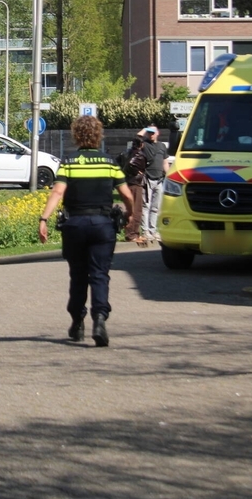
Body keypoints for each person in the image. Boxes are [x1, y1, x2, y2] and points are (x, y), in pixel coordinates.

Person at [38, 115, 134, 347]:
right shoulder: (110, 163)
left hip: (75, 225)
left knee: (78, 275)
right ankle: (99, 318)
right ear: (98, 135)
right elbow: (126, 194)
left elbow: (58, 192)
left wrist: (44, 218)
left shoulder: (69, 163)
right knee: (100, 274)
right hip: (103, 225)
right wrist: (131, 215)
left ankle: (77, 321)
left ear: (76, 135)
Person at [141, 124, 171, 244]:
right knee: (146, 206)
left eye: (153, 132)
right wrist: (145, 129)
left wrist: (169, 176)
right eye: (149, 132)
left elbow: (165, 163)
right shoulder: (144, 144)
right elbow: (137, 137)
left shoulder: (162, 146)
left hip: (159, 180)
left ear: (158, 133)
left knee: (155, 207)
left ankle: (153, 231)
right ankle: (145, 231)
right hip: (147, 179)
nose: (151, 135)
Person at [122, 131, 148, 245]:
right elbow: (133, 164)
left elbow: (119, 161)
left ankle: (132, 232)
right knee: (137, 209)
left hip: (127, 182)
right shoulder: (139, 155)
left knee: (131, 208)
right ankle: (132, 234)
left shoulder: (126, 153)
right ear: (141, 144)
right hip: (135, 183)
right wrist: (137, 172)